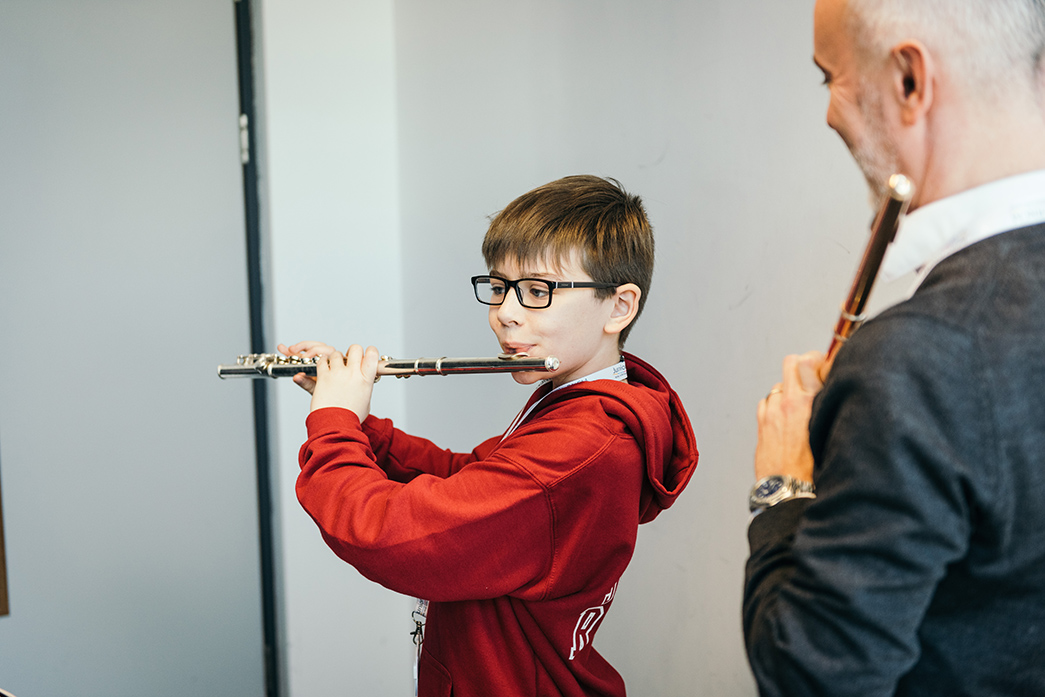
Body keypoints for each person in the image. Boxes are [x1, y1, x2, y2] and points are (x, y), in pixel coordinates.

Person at [280, 175, 698, 697]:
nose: (505, 313)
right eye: (499, 287)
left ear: (619, 306)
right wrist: (360, 425)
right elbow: (471, 481)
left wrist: (334, 423)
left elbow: (385, 535)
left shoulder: (583, 443)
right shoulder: (574, 404)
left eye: (538, 290)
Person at [744, 1, 1045, 695]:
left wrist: (781, 489)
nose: (827, 114)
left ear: (909, 79)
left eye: (829, 78)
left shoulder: (915, 362)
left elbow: (811, 676)